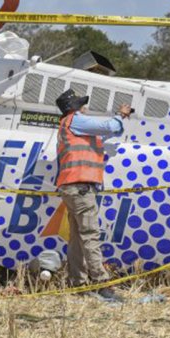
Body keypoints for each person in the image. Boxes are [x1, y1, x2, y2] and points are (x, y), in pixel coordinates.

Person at [55, 88, 132, 302]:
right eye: (82, 104)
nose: (85, 107)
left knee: (77, 237)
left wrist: (117, 123)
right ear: (76, 108)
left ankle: (77, 282)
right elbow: (111, 126)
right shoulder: (76, 120)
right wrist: (121, 114)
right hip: (80, 187)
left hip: (71, 187)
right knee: (90, 235)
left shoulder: (67, 126)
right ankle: (100, 282)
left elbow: (109, 131)